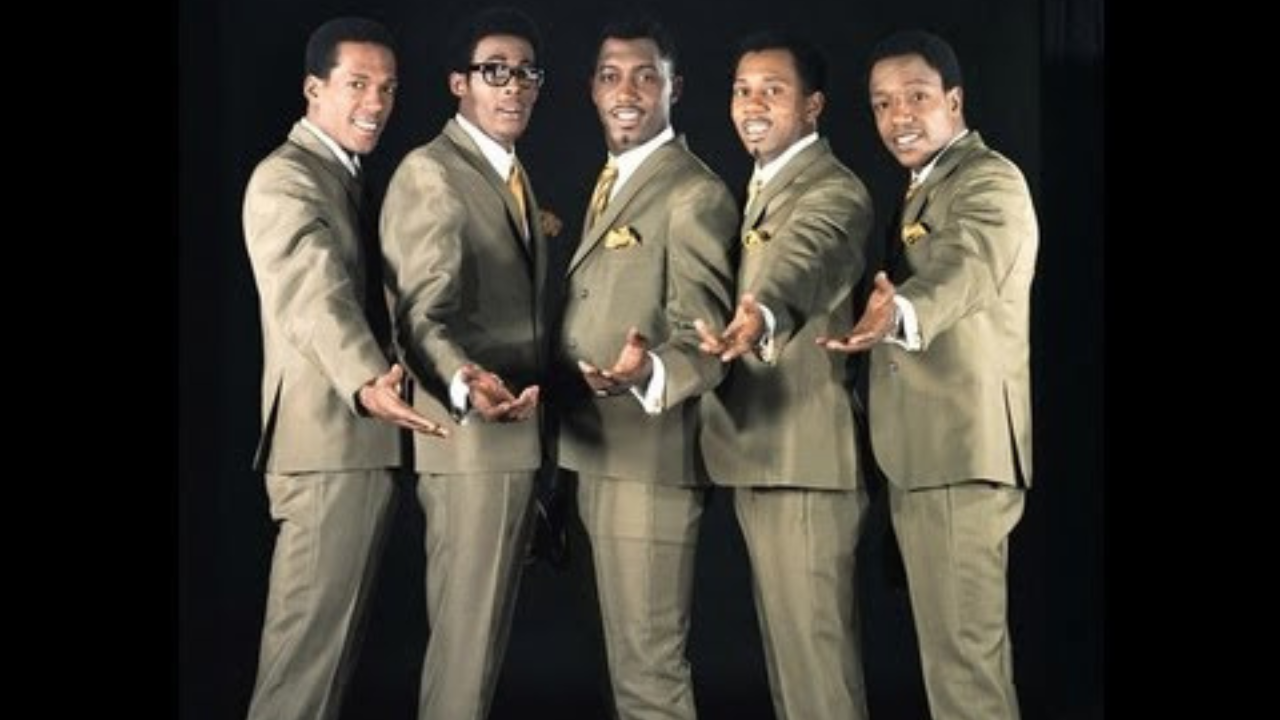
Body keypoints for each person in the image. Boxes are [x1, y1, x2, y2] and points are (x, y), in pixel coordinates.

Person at [819, 29, 1038, 720]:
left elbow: (968, 263)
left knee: (965, 674)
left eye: (916, 97)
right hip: (924, 460)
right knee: (954, 668)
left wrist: (903, 309)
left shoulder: (988, 180)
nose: (898, 117)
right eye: (882, 104)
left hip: (957, 457)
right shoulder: (925, 186)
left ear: (955, 101)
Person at [240, 16, 448, 720]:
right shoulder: (287, 179)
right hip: (329, 448)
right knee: (303, 669)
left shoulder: (344, 177)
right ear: (313, 90)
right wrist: (365, 378)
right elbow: (313, 289)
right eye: (357, 84)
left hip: (354, 449)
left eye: (387, 89)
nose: (375, 103)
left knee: (320, 668)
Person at [556, 16, 736, 720]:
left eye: (644, 76)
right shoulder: (615, 180)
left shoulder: (694, 193)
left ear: (674, 87)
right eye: (611, 77)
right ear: (592, 90)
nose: (626, 92)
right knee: (624, 672)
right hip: (593, 457)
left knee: (649, 673)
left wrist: (649, 372)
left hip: (649, 464)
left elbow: (706, 338)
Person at [693, 30, 873, 720]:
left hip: (805, 460)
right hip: (764, 455)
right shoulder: (764, 184)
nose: (752, 104)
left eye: (773, 90)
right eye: (743, 90)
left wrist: (763, 312)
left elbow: (808, 257)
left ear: (813, 106)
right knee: (793, 671)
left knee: (817, 676)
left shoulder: (833, 190)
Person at [379, 6, 551, 719]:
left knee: (477, 654)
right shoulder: (432, 173)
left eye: (526, 73)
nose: (513, 86)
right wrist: (460, 379)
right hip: (472, 445)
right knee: (464, 654)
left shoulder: (507, 171)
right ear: (459, 83)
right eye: (494, 71)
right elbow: (420, 312)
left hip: (514, 442)